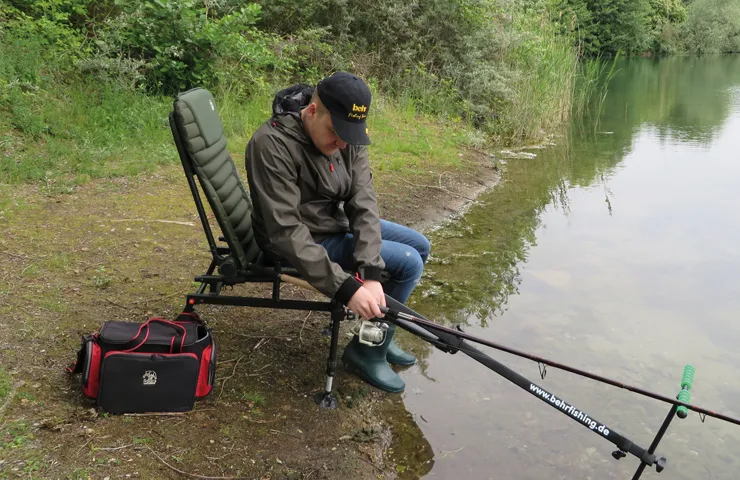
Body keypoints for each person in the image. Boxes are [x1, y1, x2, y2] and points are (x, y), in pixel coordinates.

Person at [244, 71, 430, 393]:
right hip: (301, 239)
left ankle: (379, 334)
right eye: (336, 132)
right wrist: (347, 288)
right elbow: (286, 232)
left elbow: (363, 200)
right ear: (312, 111)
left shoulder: (347, 137)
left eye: (350, 134)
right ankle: (366, 351)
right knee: (408, 263)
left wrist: (370, 271)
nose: (342, 142)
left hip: (331, 223)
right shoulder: (271, 144)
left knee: (420, 245)